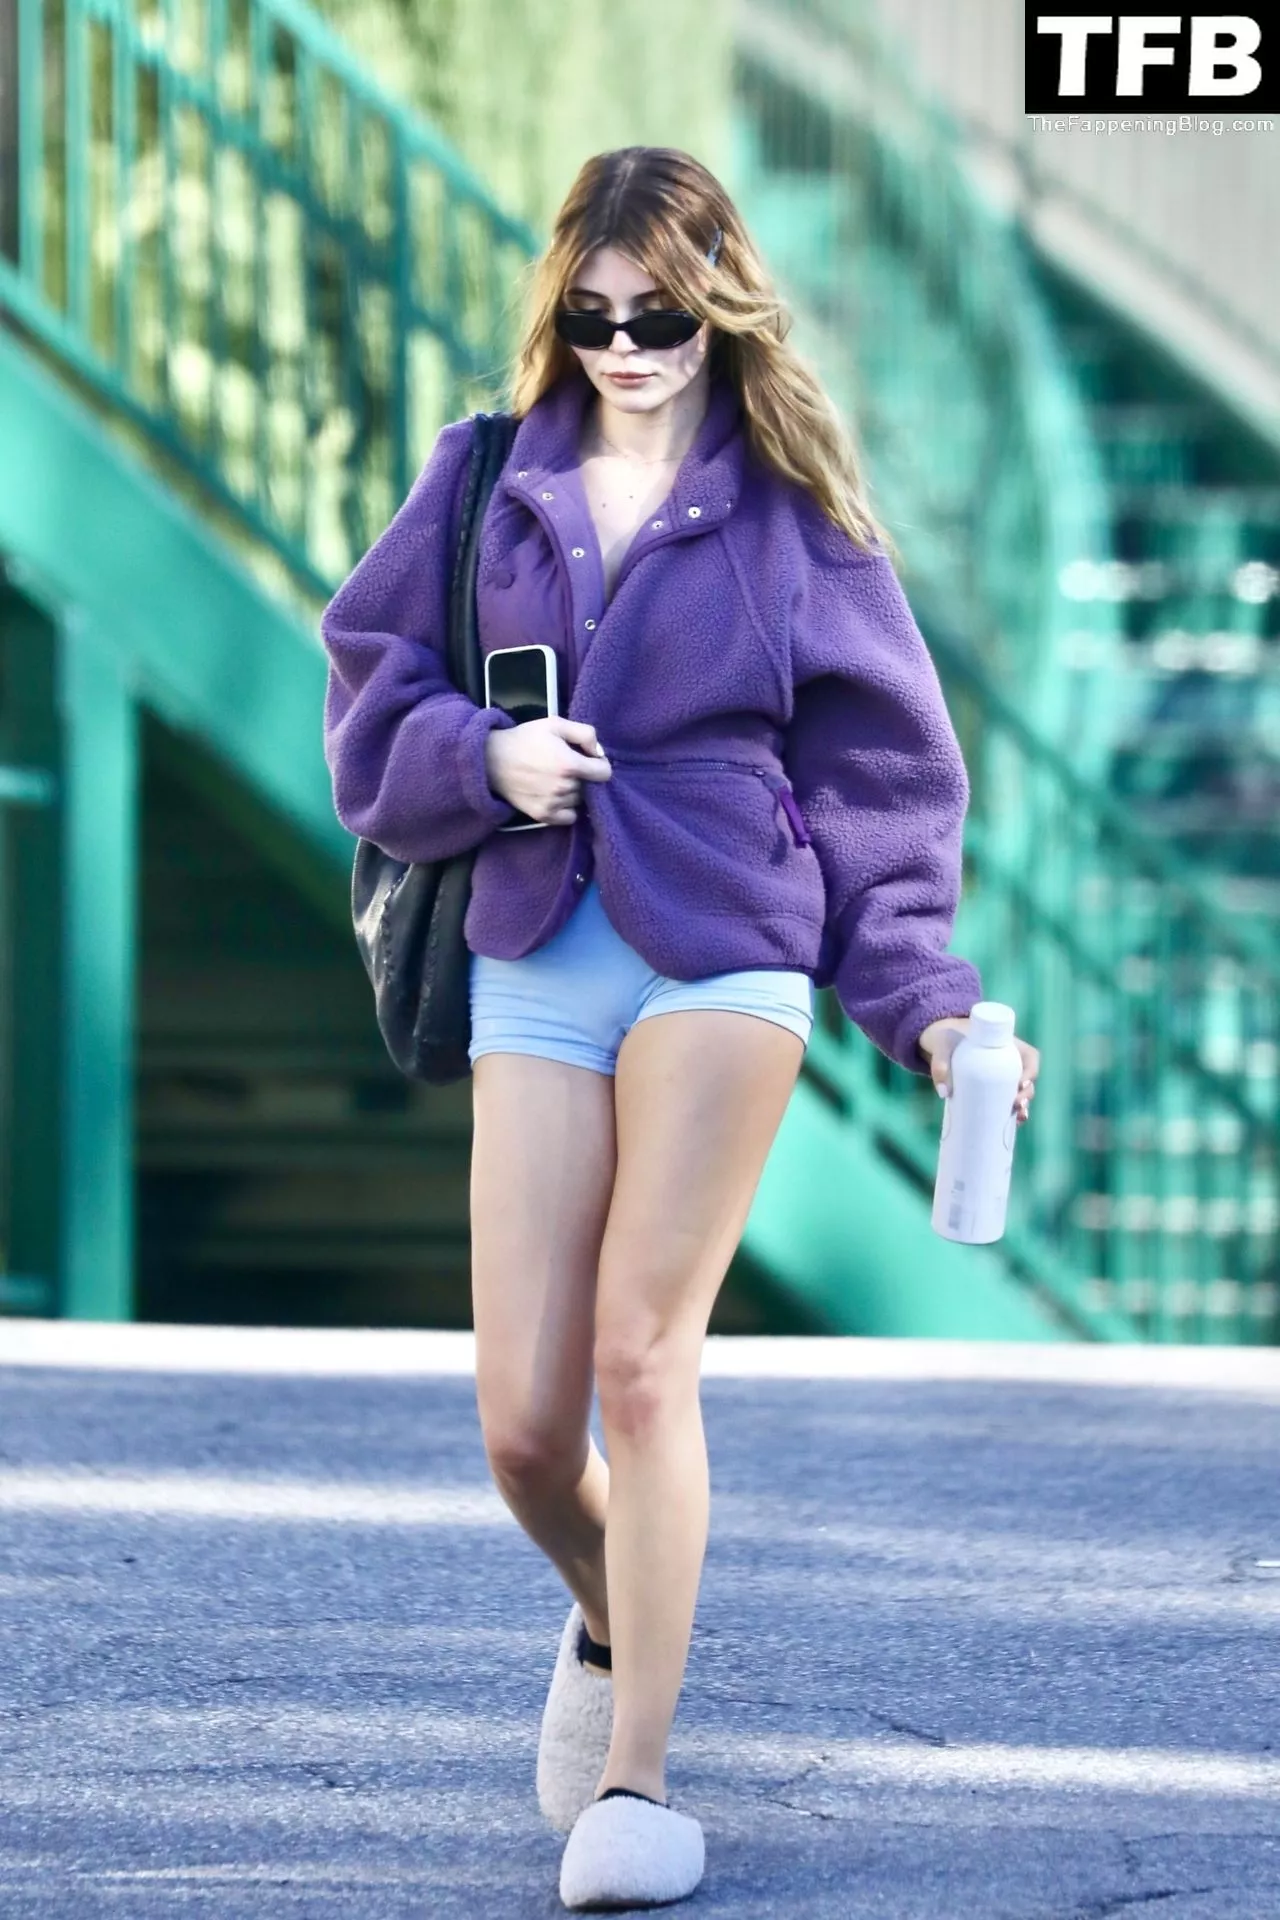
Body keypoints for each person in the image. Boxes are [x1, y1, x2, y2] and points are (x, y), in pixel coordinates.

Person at [320, 144, 1041, 1911]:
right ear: (560, 311)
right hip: (532, 940)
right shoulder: (483, 477)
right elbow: (369, 686)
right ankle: (611, 1620)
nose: (627, 349)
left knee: (644, 1362)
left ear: (720, 309)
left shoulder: (798, 515)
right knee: (521, 1426)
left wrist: (932, 1012)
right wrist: (476, 758)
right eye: (595, 316)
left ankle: (636, 1782)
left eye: (662, 317)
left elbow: (884, 791)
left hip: (726, 946)